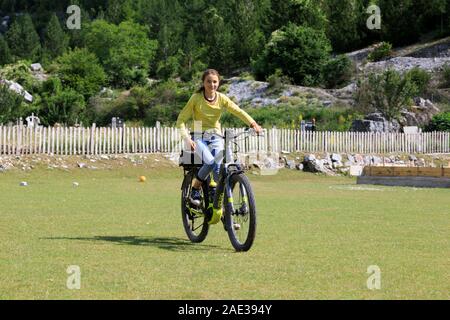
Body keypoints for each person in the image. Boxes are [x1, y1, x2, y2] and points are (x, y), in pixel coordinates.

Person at [176, 69, 262, 224]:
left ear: (219, 83)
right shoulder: (196, 98)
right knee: (210, 162)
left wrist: (253, 123)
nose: (212, 84)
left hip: (216, 136)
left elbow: (238, 111)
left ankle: (221, 207)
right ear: (203, 83)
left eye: (215, 81)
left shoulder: (221, 98)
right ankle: (195, 189)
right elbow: (181, 120)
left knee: (221, 169)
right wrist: (187, 138)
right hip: (198, 136)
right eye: (209, 81)